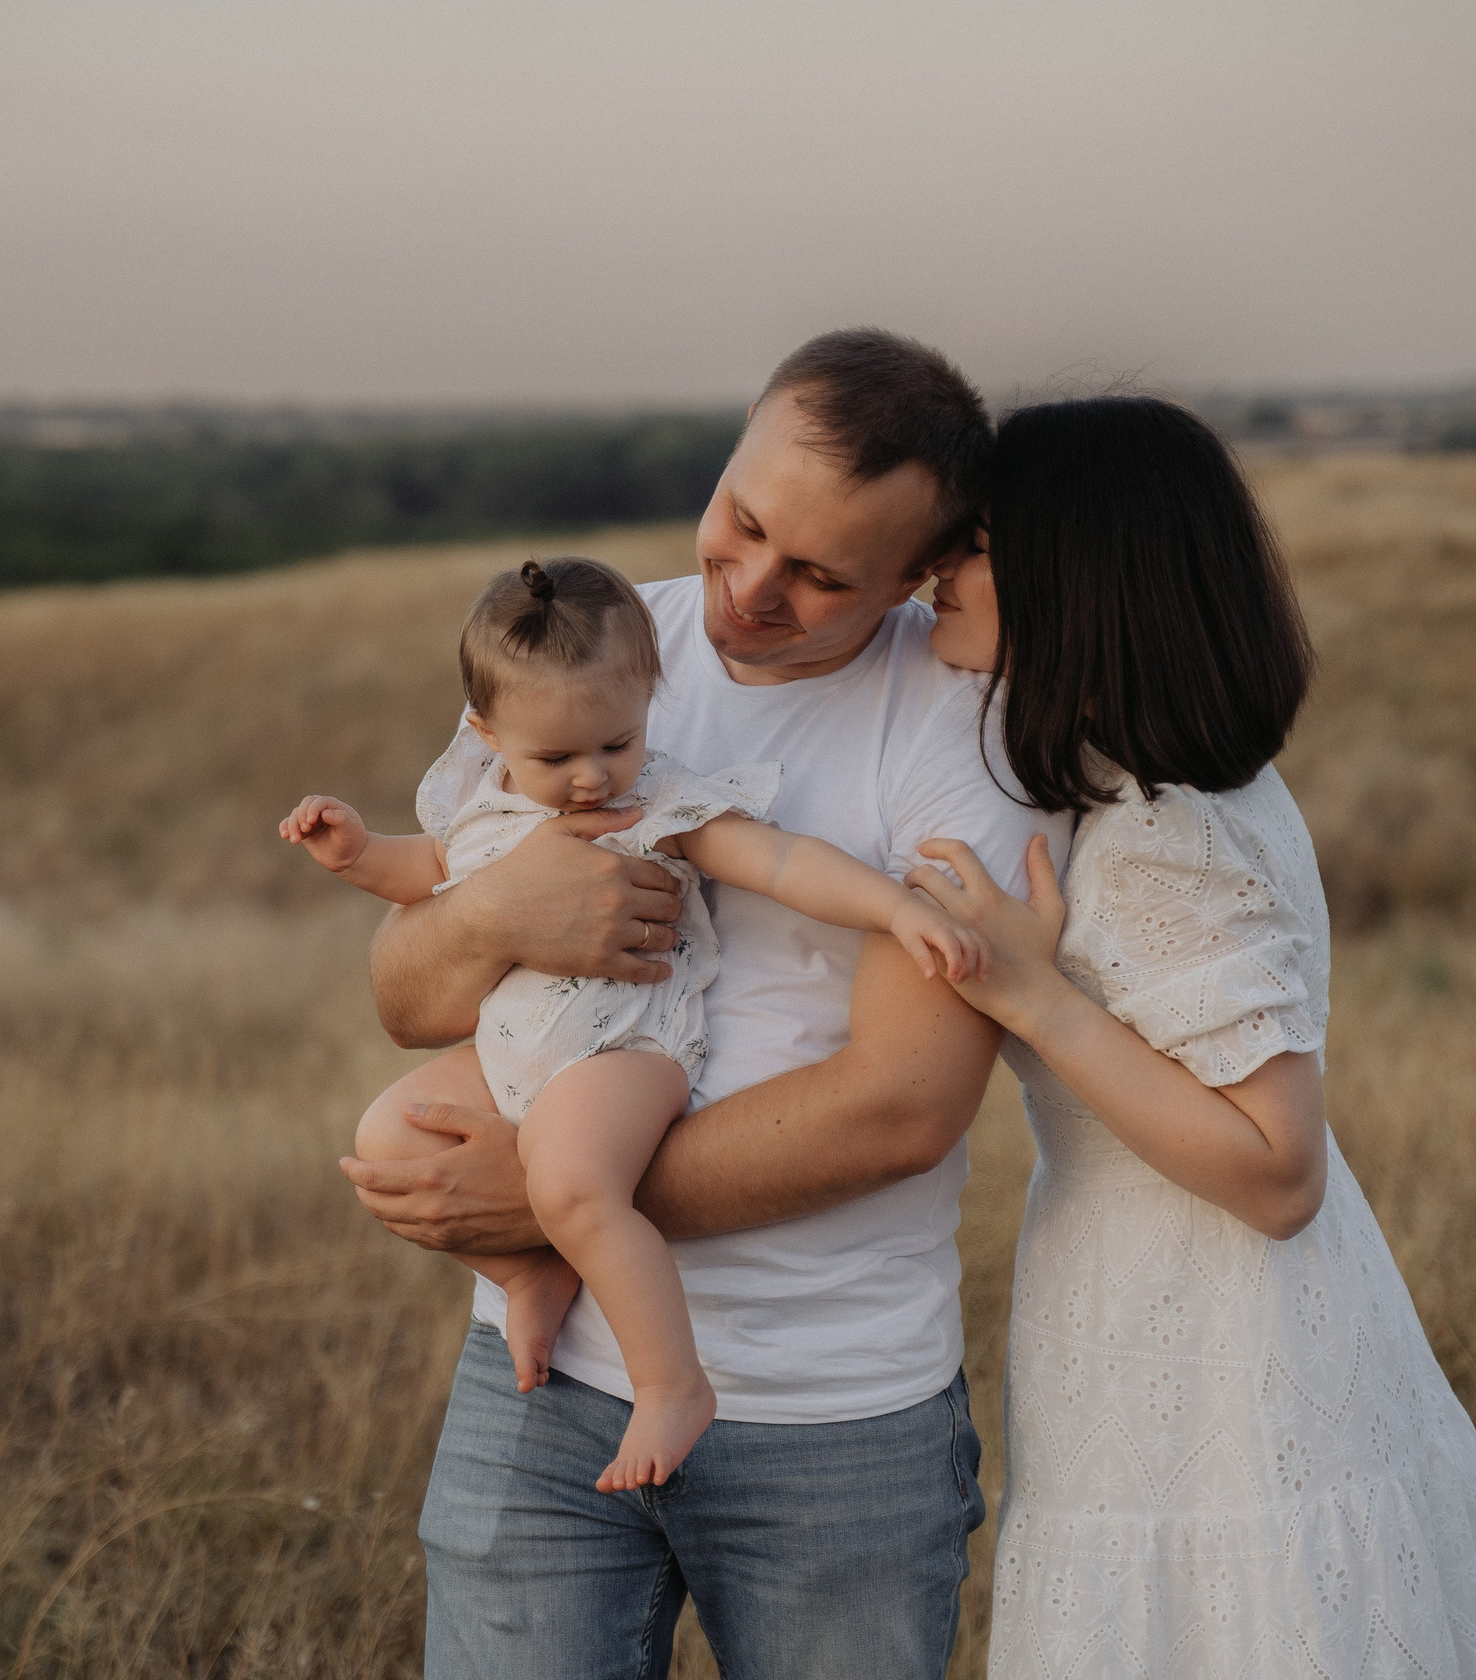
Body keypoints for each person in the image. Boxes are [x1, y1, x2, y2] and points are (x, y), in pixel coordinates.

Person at [338, 329, 1068, 1678]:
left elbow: (902, 1108)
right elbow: (406, 989)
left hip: (829, 1416)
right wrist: (499, 915)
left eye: (819, 574)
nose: (748, 588)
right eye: (742, 521)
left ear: (921, 572)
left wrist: (557, 1192)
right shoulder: (589, 647)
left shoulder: (966, 731)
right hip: (540, 1379)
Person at [909, 396, 1476, 1677]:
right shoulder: (1172, 788)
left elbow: (1276, 1170)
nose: (941, 568)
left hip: (1218, 1344)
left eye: (978, 542)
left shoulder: (1168, 831)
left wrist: (1033, 997)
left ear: (1080, 574)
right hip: (1157, 1316)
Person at [278, 554, 987, 1494]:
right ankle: (532, 1273)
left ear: (649, 704)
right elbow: (424, 875)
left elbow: (779, 862)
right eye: (556, 759)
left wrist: (895, 909)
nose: (588, 779)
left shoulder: (657, 796)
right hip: (516, 1060)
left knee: (569, 1182)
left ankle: (670, 1384)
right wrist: (354, 850)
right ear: (489, 735)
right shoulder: (485, 800)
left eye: (614, 743)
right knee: (390, 1136)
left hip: (625, 1050)